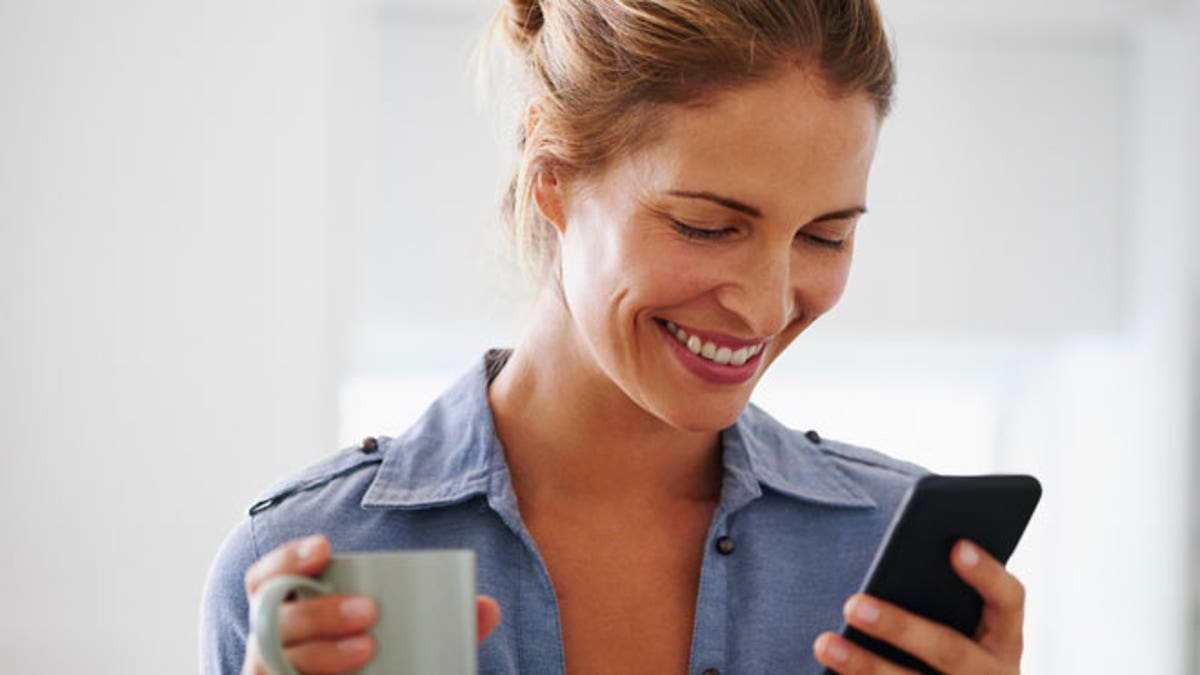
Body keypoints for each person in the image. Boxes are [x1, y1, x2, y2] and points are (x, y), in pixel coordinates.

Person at [201, 1, 1028, 673]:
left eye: (825, 236)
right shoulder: (315, 565)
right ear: (552, 177)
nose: (768, 306)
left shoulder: (891, 552)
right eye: (707, 226)